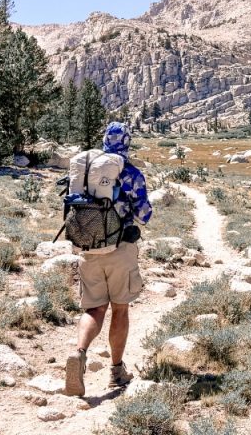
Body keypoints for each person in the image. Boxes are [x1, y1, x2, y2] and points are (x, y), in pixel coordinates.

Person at [64, 122, 152, 396]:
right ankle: (116, 371)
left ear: (104, 141)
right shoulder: (129, 172)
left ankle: (79, 354)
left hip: (88, 249)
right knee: (120, 309)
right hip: (120, 249)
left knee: (94, 309)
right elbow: (144, 215)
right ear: (126, 142)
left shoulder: (87, 169)